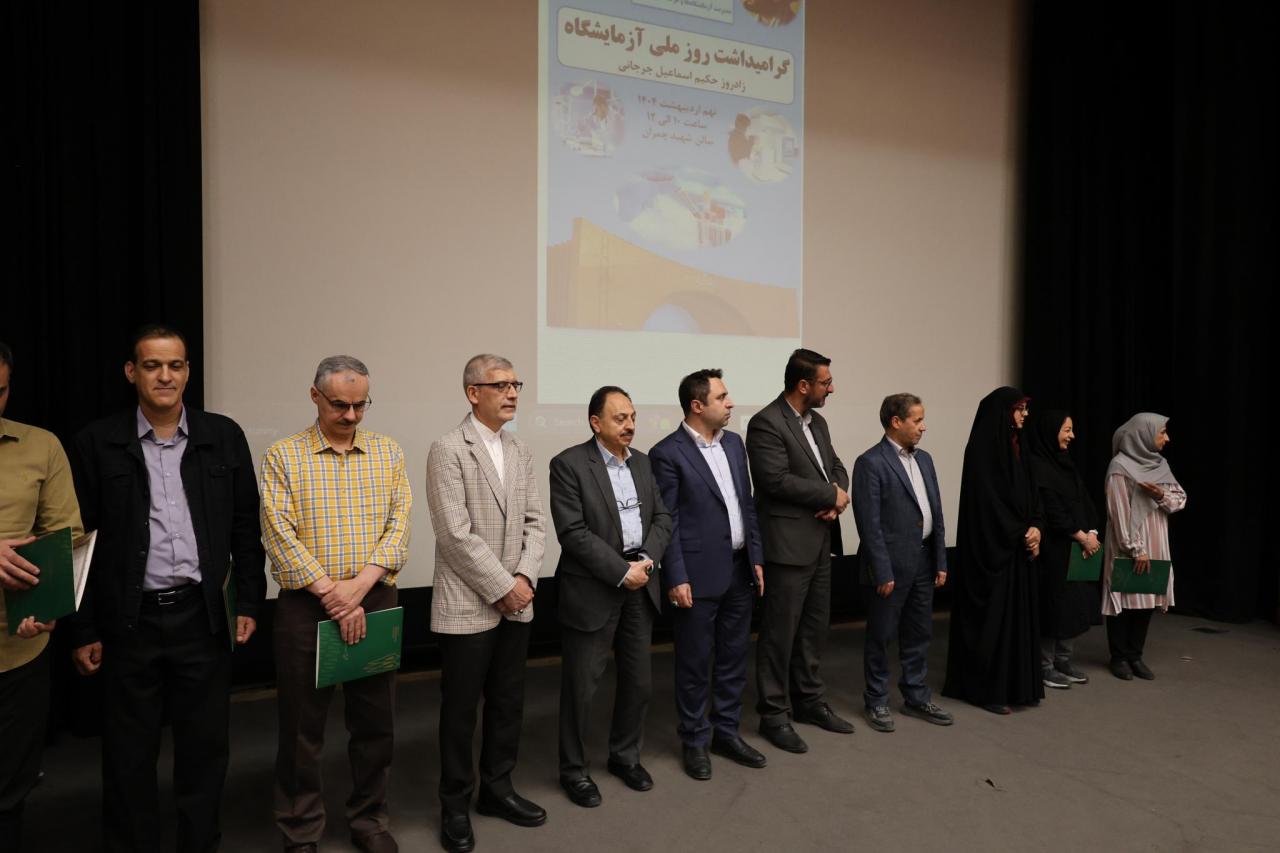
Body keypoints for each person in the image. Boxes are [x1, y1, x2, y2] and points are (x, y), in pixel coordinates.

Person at [68, 325, 266, 852]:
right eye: (152, 366)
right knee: (128, 756)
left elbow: (246, 526)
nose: (165, 376)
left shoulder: (222, 435)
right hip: (128, 622)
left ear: (187, 372)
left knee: (205, 750)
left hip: (202, 618)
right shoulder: (97, 443)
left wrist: (249, 600)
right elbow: (78, 541)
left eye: (175, 365)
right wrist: (83, 627)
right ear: (131, 372)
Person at [260, 355, 411, 853]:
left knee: (376, 723)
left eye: (360, 405)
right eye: (340, 405)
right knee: (301, 729)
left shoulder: (388, 452)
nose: (350, 415)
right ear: (315, 396)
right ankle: (301, 828)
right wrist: (333, 594)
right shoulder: (284, 455)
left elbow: (399, 526)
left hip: (374, 597)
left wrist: (358, 590)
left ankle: (369, 820)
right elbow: (278, 534)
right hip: (306, 607)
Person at [426, 354, 546, 853]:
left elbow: (536, 523)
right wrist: (504, 586)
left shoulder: (520, 449)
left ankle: (497, 789)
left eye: (516, 384)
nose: (512, 392)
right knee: (460, 711)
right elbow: (454, 535)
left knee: (507, 702)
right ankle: (454, 803)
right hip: (469, 603)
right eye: (500, 385)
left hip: (517, 598)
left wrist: (524, 576)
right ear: (473, 393)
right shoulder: (448, 448)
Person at [549, 386, 672, 808]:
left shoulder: (644, 463)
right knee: (581, 689)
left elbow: (662, 517)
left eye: (633, 417)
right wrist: (622, 571)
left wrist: (647, 561)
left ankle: (625, 757)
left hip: (641, 583)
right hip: (594, 589)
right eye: (620, 418)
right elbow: (573, 533)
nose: (630, 425)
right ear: (595, 422)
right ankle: (574, 771)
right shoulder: (568, 465)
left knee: (639, 683)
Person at [649, 369, 767, 781]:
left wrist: (756, 556)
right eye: (722, 397)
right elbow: (668, 520)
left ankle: (726, 733)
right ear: (697, 406)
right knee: (695, 664)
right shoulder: (667, 453)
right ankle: (695, 740)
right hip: (695, 575)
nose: (730, 403)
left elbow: (746, 505)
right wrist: (676, 576)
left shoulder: (734, 444)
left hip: (739, 569)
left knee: (733, 658)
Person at [0, 342, 84, 852]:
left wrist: (48, 606)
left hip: (19, 647)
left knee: (10, 791)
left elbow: (65, 535)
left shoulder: (41, 445)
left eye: (0, 391)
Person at [747, 348, 852, 754]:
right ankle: (774, 714)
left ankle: (808, 701)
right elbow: (774, 480)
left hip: (821, 540)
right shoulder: (766, 423)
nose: (832, 389)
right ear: (804, 385)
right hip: (787, 546)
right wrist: (829, 494)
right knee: (780, 634)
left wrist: (838, 496)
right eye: (826, 383)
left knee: (813, 629)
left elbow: (836, 466)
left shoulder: (818, 423)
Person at [851, 394, 953, 733]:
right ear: (896, 422)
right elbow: (869, 524)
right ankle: (876, 700)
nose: (923, 427)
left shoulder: (925, 460)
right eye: (917, 420)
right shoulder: (870, 462)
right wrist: (881, 570)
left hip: (924, 561)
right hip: (890, 568)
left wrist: (940, 559)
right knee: (881, 636)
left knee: (919, 633)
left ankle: (916, 695)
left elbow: (936, 513)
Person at [942, 387, 1044, 715]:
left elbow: (1033, 494)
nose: (1025, 415)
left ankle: (1017, 687)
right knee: (991, 622)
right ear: (1003, 412)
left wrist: (1036, 526)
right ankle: (986, 689)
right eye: (1019, 409)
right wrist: (1019, 532)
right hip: (991, 552)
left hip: (1018, 551)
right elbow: (988, 505)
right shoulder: (982, 450)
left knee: (1017, 620)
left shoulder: (1021, 446)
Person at [1101, 414, 1185, 681]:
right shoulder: (1119, 466)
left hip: (1156, 540)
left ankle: (1135, 655)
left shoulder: (1160, 465)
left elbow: (1180, 500)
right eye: (1162, 432)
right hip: (1128, 542)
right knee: (1124, 597)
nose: (1167, 438)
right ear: (1144, 434)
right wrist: (1136, 548)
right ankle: (1119, 657)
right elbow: (1118, 512)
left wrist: (1160, 494)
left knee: (1146, 597)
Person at [1025, 409, 1101, 689]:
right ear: (1051, 431)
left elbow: (1085, 501)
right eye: (1066, 430)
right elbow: (1052, 511)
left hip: (1078, 550)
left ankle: (1063, 659)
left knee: (1074, 606)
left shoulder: (1066, 463)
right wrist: (1081, 536)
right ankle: (1045, 666)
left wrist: (1092, 532)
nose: (1072, 436)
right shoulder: (1037, 466)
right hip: (1054, 551)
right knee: (1054, 607)